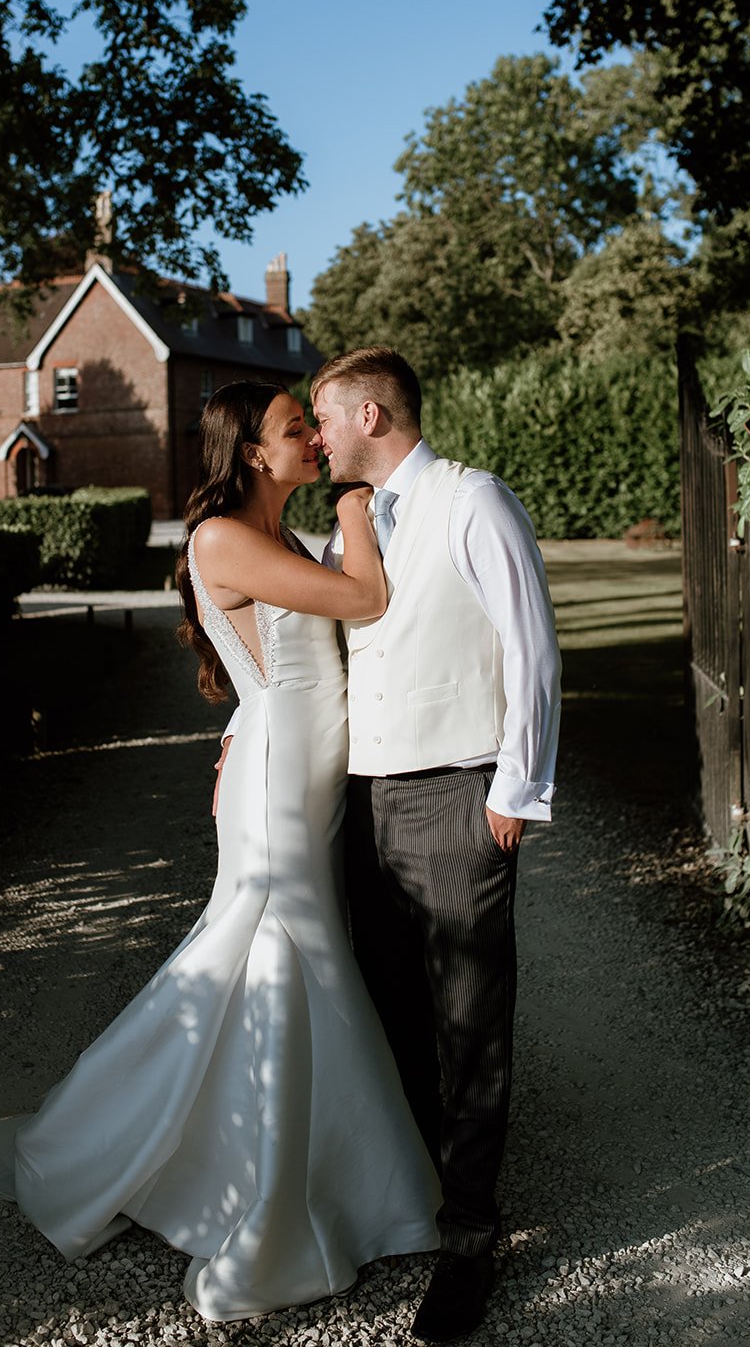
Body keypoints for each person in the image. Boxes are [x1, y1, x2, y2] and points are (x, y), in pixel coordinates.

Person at [0, 381, 439, 1323]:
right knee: (280, 952)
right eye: (293, 426)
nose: (310, 436)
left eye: (310, 423)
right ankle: (265, 1188)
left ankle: (294, 1169)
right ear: (253, 453)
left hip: (300, 768)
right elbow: (366, 599)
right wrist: (355, 502)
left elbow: (279, 662)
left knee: (277, 955)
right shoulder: (221, 535)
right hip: (279, 781)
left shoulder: (269, 534)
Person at [310, 346, 561, 1345]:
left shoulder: (473, 500)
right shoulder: (352, 525)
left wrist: (516, 790)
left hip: (458, 796)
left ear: (368, 415)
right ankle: (419, 1190)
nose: (318, 435)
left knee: (470, 1022)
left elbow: (531, 643)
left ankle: (469, 1238)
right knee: (390, 1008)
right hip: (365, 803)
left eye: (325, 419)